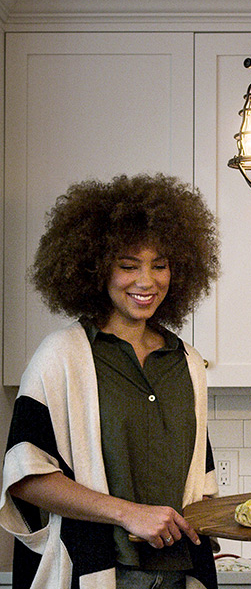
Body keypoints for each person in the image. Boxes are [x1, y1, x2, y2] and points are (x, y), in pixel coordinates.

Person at [0, 173, 221, 589]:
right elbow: (25, 477)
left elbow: (199, 487)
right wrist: (127, 512)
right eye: (128, 265)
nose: (146, 281)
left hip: (181, 574)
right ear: (95, 269)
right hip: (95, 570)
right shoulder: (61, 356)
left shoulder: (187, 362)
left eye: (160, 265)